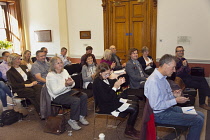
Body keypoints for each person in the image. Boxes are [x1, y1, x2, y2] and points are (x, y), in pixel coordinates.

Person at [145, 54, 204, 140]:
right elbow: (156, 106)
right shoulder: (153, 81)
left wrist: (174, 95)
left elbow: (164, 96)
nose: (174, 70)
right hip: (160, 114)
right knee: (198, 120)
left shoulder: (162, 78)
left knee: (201, 115)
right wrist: (175, 100)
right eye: (173, 67)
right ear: (165, 65)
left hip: (168, 109)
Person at [93, 63, 140, 139]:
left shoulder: (105, 79)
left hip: (111, 101)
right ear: (100, 73)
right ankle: (128, 131)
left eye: (109, 74)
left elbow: (111, 86)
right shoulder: (97, 82)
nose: (107, 76)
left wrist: (119, 82)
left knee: (135, 104)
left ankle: (130, 128)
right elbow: (106, 98)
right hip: (105, 106)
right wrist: (115, 87)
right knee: (133, 109)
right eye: (105, 74)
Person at [46, 56, 89, 130]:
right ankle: (72, 120)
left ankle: (81, 116)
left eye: (61, 62)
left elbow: (73, 83)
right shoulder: (51, 75)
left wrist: (70, 84)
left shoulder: (64, 71)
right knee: (76, 100)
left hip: (67, 91)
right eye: (57, 63)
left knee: (83, 95)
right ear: (53, 65)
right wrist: (66, 85)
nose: (60, 64)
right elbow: (55, 92)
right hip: (57, 96)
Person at [175, 46, 210, 110]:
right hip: (181, 80)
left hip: (187, 76)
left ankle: (208, 95)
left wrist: (186, 66)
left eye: (182, 51)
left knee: (202, 79)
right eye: (179, 51)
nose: (181, 52)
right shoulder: (175, 61)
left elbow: (188, 71)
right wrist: (183, 67)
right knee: (200, 85)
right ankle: (202, 103)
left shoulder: (184, 59)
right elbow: (177, 73)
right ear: (176, 52)